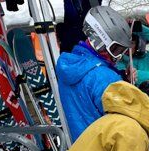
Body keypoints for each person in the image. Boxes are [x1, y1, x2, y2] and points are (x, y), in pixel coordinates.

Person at [56, 6, 131, 141]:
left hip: (81, 150)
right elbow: (127, 125)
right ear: (102, 43)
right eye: (116, 49)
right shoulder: (104, 77)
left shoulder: (71, 66)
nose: (119, 56)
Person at [116, 19, 149, 86]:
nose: (128, 46)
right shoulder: (119, 61)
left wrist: (137, 28)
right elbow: (120, 77)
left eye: (132, 43)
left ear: (138, 45)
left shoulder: (147, 60)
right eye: (126, 43)